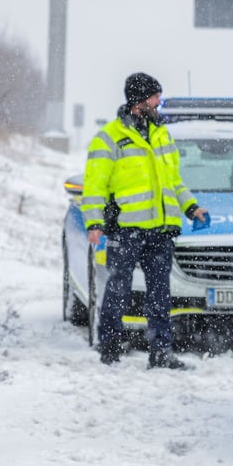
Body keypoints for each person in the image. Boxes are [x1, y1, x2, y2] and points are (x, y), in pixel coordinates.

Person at [81, 72, 209, 369]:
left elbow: (174, 181)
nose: (159, 102)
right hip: (126, 229)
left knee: (160, 295)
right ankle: (110, 347)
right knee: (117, 289)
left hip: (161, 230)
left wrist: (191, 207)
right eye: (154, 97)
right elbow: (94, 186)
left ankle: (161, 352)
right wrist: (94, 223)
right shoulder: (109, 137)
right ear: (139, 101)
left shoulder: (162, 134)